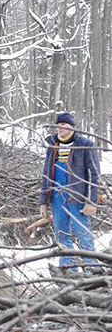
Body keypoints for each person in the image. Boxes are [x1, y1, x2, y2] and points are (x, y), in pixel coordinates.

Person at [39, 112, 100, 272]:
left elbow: (94, 175)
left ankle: (91, 271)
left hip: (77, 197)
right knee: (61, 235)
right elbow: (46, 173)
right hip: (57, 198)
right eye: (58, 126)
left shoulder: (85, 145)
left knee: (83, 235)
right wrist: (44, 200)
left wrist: (91, 201)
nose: (60, 129)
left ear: (72, 127)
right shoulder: (53, 146)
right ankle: (68, 271)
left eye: (64, 126)